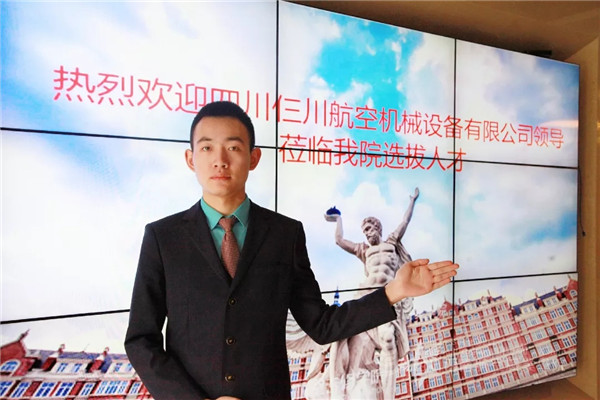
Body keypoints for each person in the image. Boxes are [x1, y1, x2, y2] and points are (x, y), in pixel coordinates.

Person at [124, 101, 458, 400]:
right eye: (207, 147)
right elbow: (141, 340)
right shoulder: (162, 238)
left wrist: (395, 291)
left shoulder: (284, 234)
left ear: (254, 157)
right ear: (190, 159)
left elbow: (322, 324)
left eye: (233, 147)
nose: (220, 161)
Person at [325, 188, 420, 400]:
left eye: (369, 228)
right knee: (342, 335)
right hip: (364, 295)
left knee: (387, 339)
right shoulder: (364, 250)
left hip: (386, 297)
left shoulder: (391, 243)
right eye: (364, 231)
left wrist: (412, 201)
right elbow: (339, 240)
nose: (367, 233)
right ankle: (338, 387)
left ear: (377, 228)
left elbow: (404, 222)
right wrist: (338, 219)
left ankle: (388, 394)